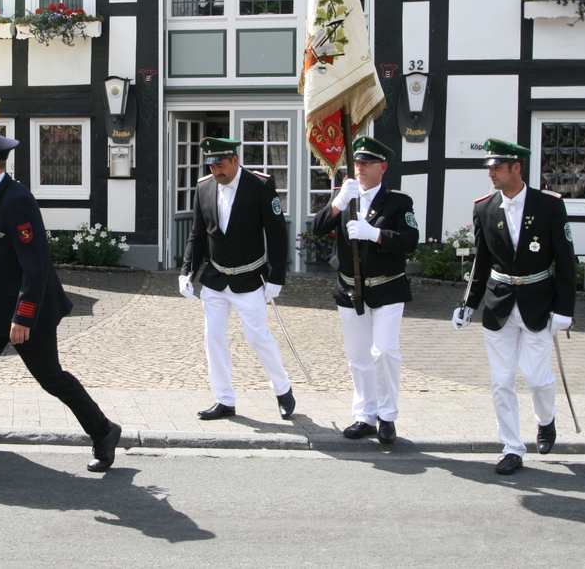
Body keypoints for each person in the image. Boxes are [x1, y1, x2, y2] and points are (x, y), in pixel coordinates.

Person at [0, 122, 122, 485]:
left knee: (51, 378)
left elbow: (37, 265)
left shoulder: (17, 200)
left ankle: (103, 430)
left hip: (30, 309)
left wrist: (24, 316)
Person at [452, 139, 577, 475]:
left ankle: (546, 420)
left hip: (539, 302)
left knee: (537, 378)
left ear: (516, 168)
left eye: (497, 167)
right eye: (489, 167)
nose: (490, 173)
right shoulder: (484, 208)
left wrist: (565, 309)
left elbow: (566, 261)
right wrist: (468, 304)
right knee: (502, 380)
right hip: (499, 303)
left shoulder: (549, 205)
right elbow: (481, 261)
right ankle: (511, 447)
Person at [179, 137, 296, 422]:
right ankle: (224, 399)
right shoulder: (204, 187)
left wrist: (277, 277)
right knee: (213, 338)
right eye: (211, 166)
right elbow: (197, 234)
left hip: (249, 277)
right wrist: (186, 271)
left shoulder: (259, 185)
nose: (216, 171)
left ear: (235, 160)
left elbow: (277, 233)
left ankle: (282, 389)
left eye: (220, 165)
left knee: (257, 336)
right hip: (216, 277)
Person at [312, 137, 419, 445]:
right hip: (350, 287)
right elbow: (317, 229)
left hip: (387, 287)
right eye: (357, 162)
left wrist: (376, 234)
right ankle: (365, 415)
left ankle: (387, 416)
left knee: (384, 351)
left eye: (367, 163)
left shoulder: (398, 202)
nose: (359, 167)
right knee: (358, 356)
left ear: (382, 168)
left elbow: (410, 240)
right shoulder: (345, 195)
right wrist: (337, 204)